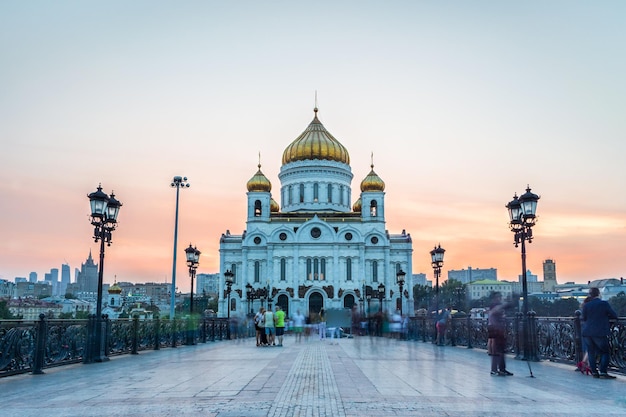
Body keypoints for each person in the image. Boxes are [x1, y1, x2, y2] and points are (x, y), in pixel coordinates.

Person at [581, 287, 618, 379]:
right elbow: (614, 315)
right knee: (605, 352)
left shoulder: (586, 305)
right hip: (600, 332)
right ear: (598, 294)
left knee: (591, 352)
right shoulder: (604, 304)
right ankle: (603, 372)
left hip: (587, 332)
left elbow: (584, 318)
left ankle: (594, 372)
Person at [488, 292, 514, 376]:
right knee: (496, 350)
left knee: (502, 350)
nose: (500, 298)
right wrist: (507, 304)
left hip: (500, 329)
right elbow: (496, 310)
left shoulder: (498, 306)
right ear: (495, 298)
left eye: (500, 297)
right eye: (499, 297)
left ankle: (502, 369)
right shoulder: (494, 306)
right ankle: (494, 369)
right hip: (495, 329)